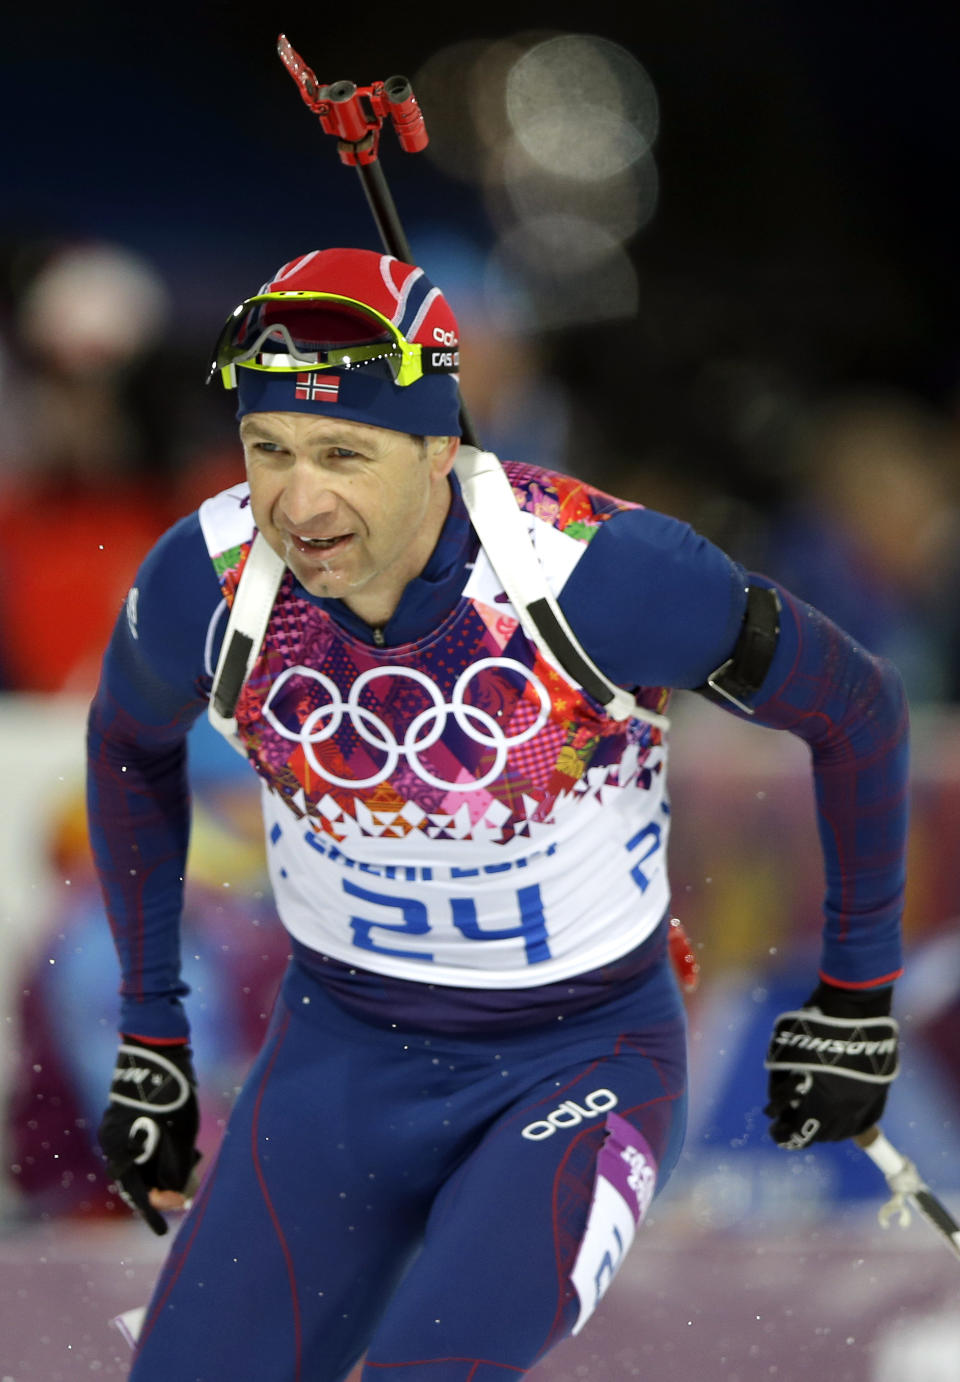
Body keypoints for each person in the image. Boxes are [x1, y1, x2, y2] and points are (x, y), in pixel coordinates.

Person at [88, 248, 907, 1382]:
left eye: (343, 453)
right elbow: (127, 743)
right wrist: (152, 1036)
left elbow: (858, 709)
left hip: (579, 1060)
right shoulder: (209, 580)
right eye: (267, 448)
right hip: (341, 1055)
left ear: (439, 448)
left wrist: (857, 1000)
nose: (297, 498)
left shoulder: (600, 575)